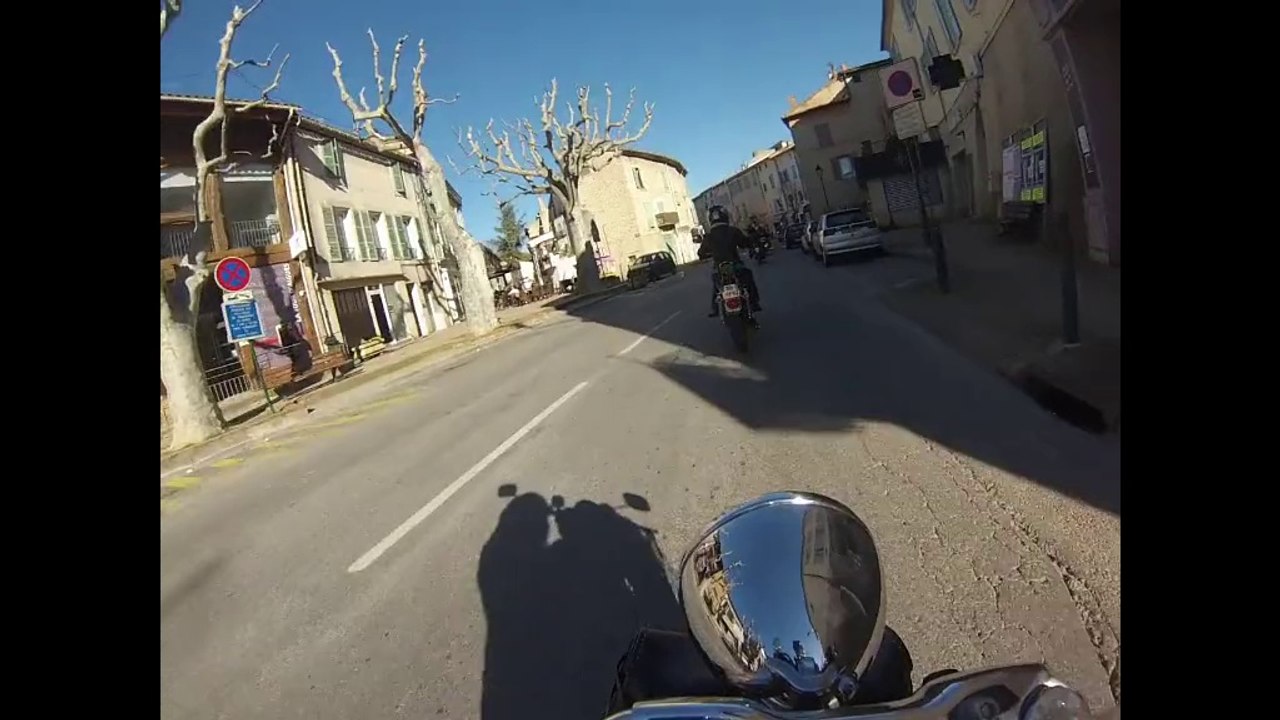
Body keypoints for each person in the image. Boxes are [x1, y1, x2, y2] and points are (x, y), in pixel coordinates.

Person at [697, 205, 762, 317]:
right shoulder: (733, 231)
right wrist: (751, 243)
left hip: (719, 268)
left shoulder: (709, 236)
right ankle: (754, 302)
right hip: (736, 265)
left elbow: (701, 253)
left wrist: (705, 255)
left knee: (717, 285)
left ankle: (715, 308)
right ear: (725, 217)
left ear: (710, 220)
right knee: (748, 276)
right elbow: (745, 243)